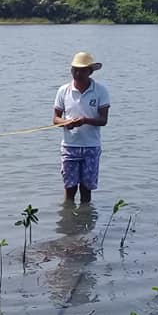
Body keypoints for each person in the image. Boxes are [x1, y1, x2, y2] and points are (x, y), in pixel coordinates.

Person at [52, 52, 111, 204]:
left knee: (86, 190)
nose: (78, 73)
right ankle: (69, 222)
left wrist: (85, 120)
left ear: (90, 71)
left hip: (91, 146)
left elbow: (103, 120)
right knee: (70, 188)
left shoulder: (100, 90)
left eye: (82, 70)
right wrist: (66, 122)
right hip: (70, 146)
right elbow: (55, 119)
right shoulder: (63, 90)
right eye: (75, 69)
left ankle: (84, 222)